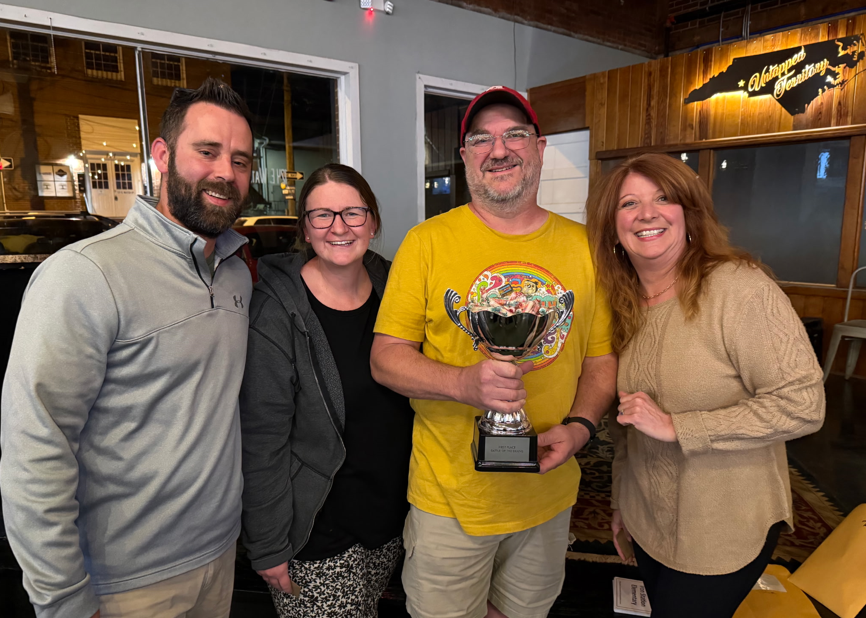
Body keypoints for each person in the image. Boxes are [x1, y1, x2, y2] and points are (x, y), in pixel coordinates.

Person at [0, 77, 254, 618]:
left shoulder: (235, 274)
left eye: (240, 160)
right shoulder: (83, 274)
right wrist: (64, 600)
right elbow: (35, 450)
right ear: (162, 154)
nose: (225, 173)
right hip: (123, 586)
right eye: (206, 152)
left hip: (219, 557)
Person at [370, 86, 618, 618]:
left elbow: (600, 360)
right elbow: (385, 356)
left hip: (547, 496)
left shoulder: (586, 247)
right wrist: (463, 384)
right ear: (464, 157)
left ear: (540, 147)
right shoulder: (427, 242)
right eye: (480, 139)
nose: (498, 150)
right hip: (451, 502)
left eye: (514, 135)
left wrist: (580, 426)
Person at [585, 153, 825, 618]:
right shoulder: (621, 303)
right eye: (628, 203)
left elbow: (803, 405)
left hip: (723, 527)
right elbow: (627, 426)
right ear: (611, 226)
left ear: (689, 213)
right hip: (649, 518)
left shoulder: (739, 289)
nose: (647, 213)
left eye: (663, 198)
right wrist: (623, 502)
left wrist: (680, 426)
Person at [239, 163, 413, 618]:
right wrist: (268, 543)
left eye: (353, 213)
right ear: (305, 228)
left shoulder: (398, 290)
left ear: (373, 223)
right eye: (322, 215)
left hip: (387, 520)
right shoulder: (275, 312)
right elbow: (261, 438)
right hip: (316, 529)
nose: (339, 227)